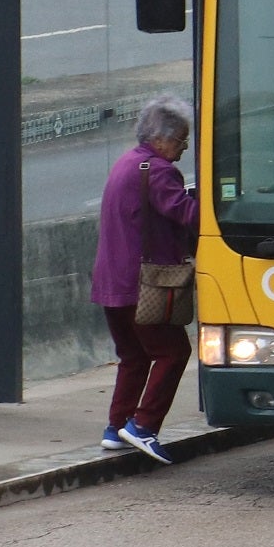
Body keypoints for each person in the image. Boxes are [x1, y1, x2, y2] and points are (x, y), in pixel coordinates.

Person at [92, 95, 199, 462]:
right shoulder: (158, 171)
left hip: (111, 284)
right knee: (174, 351)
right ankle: (143, 426)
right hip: (144, 285)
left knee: (134, 356)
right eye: (181, 140)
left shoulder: (126, 163)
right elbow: (187, 214)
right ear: (160, 137)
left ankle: (115, 428)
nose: (183, 148)